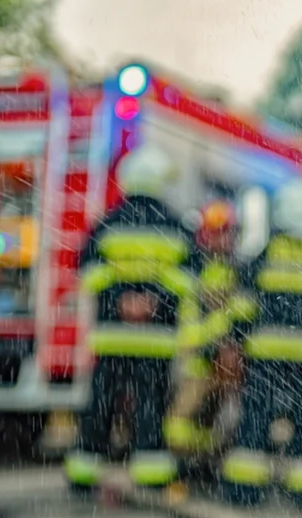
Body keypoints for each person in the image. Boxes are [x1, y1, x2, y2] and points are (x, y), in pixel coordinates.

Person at [63, 145, 200, 493]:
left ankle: (83, 472)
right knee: (150, 408)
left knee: (100, 406)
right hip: (155, 341)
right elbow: (190, 279)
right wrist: (154, 301)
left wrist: (119, 299)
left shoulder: (108, 222)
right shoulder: (175, 225)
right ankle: (151, 475)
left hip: (112, 336)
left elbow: (88, 272)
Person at [219, 178, 302, 507]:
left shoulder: (269, 251)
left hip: (266, 357)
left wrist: (235, 338)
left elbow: (244, 303)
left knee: (256, 419)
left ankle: (245, 491)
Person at [165, 199, 247, 463]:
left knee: (218, 420)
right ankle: (188, 463)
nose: (224, 239)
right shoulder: (192, 271)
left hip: (224, 362)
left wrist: (232, 346)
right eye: (217, 232)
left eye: (228, 232)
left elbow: (241, 314)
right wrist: (214, 344)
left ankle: (205, 463)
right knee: (181, 421)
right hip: (196, 362)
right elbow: (190, 320)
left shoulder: (239, 271)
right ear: (204, 235)